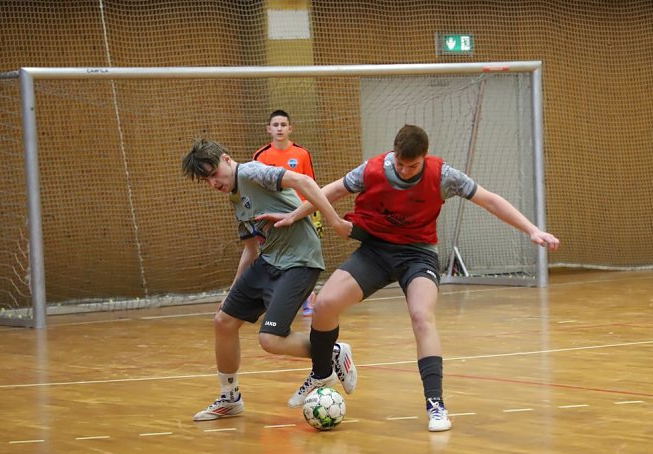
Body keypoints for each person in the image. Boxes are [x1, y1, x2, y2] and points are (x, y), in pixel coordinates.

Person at [261, 124, 559, 431]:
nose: (404, 170)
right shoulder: (373, 169)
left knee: (421, 317)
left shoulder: (444, 176)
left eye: (412, 166)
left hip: (418, 255)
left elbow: (491, 200)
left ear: (425, 158)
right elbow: (331, 191)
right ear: (394, 154)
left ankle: (436, 405)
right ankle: (323, 371)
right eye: (400, 164)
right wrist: (294, 215)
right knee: (324, 305)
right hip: (375, 251)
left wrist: (532, 230)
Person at [180, 139, 357, 421]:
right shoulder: (235, 199)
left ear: (226, 159)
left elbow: (303, 181)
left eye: (214, 174)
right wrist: (233, 291)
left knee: (270, 339)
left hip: (299, 261)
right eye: (206, 180)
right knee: (223, 321)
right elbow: (250, 250)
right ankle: (230, 398)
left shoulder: (252, 173)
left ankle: (332, 351)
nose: (213, 182)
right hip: (269, 261)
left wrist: (333, 220)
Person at [253, 110, 321, 316]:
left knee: (306, 257)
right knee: (278, 257)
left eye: (283, 124)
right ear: (269, 129)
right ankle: (281, 296)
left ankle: (308, 297)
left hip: (301, 213)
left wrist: (310, 212)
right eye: (275, 125)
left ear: (290, 128)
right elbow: (256, 188)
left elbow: (311, 185)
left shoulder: (302, 154)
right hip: (273, 215)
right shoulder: (261, 155)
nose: (280, 128)